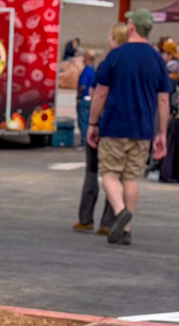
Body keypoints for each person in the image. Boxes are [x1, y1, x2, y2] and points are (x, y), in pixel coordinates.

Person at [87, 9, 171, 246]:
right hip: (143, 129)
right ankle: (126, 229)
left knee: (109, 174)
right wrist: (162, 132)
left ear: (131, 27)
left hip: (115, 125)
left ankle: (121, 211)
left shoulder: (116, 56)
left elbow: (100, 93)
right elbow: (163, 100)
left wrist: (92, 123)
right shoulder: (157, 59)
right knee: (131, 177)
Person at [73, 24, 126, 235]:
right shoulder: (132, 65)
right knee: (115, 175)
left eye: (110, 37)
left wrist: (92, 123)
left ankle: (85, 218)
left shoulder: (107, 64)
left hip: (103, 123)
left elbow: (97, 94)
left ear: (115, 39)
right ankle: (108, 221)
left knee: (92, 172)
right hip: (122, 126)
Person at [75, 48, 97, 146]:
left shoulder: (86, 70)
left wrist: (78, 97)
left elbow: (83, 86)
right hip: (91, 99)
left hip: (84, 99)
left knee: (83, 121)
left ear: (86, 58)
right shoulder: (94, 70)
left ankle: (84, 141)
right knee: (89, 120)